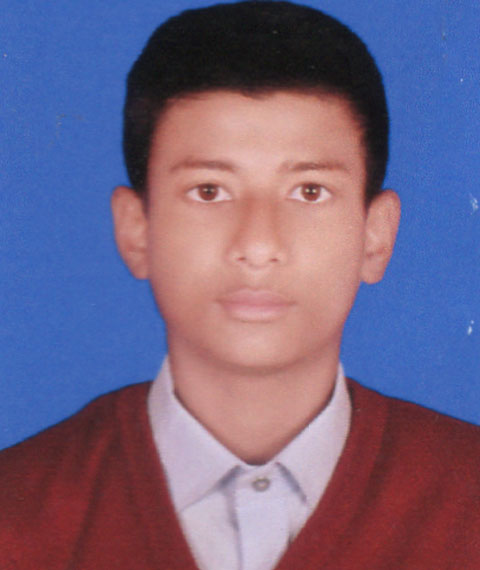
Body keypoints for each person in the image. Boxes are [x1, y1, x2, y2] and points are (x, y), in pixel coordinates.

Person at [1, 1, 479, 568]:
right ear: (136, 230)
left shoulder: (467, 499)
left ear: (376, 236)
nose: (257, 244)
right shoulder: (17, 513)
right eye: (209, 191)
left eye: (308, 191)